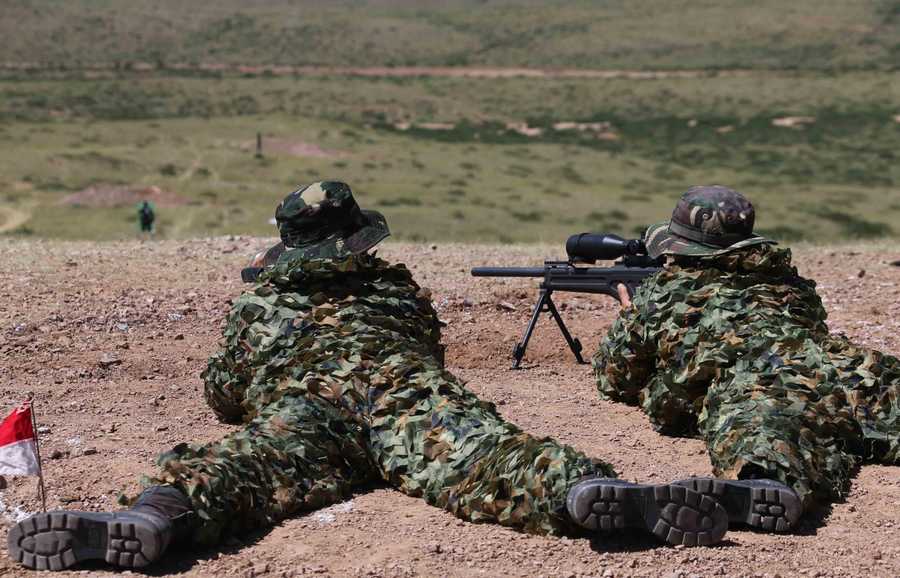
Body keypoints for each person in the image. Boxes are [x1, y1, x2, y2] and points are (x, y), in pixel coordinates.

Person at [8, 182, 731, 572]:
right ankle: (584, 492)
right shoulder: (396, 292)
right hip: (403, 395)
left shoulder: (264, 298)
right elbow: (433, 360)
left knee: (241, 465)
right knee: (488, 453)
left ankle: (153, 516)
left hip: (306, 407)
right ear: (358, 237)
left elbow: (225, 395)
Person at [594, 185, 898, 532]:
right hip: (839, 364)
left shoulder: (666, 289)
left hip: (756, 375)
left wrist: (630, 316)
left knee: (765, 416)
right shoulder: (789, 282)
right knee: (879, 392)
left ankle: (762, 482)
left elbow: (617, 378)